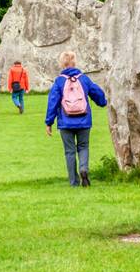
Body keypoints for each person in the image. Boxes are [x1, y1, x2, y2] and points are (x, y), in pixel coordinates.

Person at [45, 50, 107, 186]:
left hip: (65, 121)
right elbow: (97, 93)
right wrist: (103, 102)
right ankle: (84, 169)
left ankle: (74, 182)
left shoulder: (59, 81)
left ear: (62, 64)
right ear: (75, 62)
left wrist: (49, 122)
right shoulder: (83, 78)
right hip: (84, 120)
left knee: (69, 151)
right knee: (83, 146)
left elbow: (53, 102)